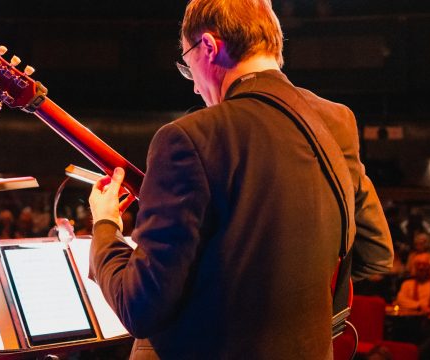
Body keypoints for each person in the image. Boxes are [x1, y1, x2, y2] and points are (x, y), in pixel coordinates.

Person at [88, 1, 393, 359]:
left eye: (189, 68)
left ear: (209, 47)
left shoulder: (188, 138)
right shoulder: (336, 120)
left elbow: (139, 306)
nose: (196, 88)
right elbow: (376, 255)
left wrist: (105, 225)